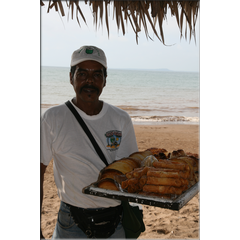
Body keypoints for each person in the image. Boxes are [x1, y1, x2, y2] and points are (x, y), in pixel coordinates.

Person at [40, 45, 139, 239]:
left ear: (105, 80)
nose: (89, 81)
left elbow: (130, 171)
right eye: (82, 73)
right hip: (72, 222)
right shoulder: (52, 118)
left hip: (115, 222)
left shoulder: (120, 119)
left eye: (97, 74)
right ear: (71, 77)